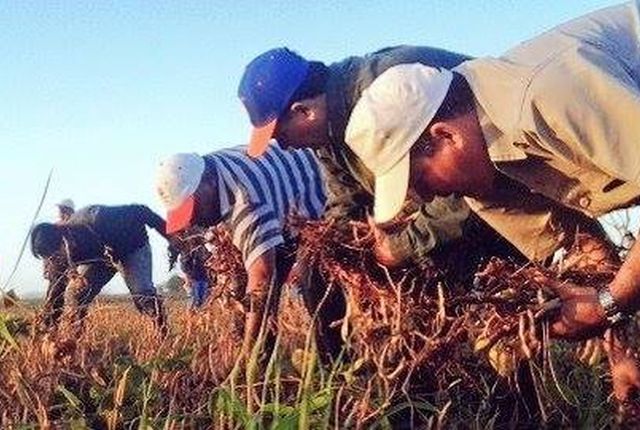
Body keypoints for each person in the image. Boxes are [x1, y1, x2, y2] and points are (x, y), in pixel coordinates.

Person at [342, 1, 640, 400]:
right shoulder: (483, 183)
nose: (425, 197)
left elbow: (610, 294)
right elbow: (582, 249)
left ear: (446, 136)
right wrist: (624, 356)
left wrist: (611, 300)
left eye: (418, 179)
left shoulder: (547, 96)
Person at [237, 46, 511, 268]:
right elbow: (345, 200)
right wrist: (333, 245)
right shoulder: (326, 135)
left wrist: (403, 245)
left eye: (278, 134)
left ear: (303, 112)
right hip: (444, 215)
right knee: (317, 268)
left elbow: (464, 183)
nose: (283, 146)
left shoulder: (392, 88)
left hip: (506, 191)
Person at [155, 144, 326, 360]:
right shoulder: (206, 168)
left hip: (315, 192)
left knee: (314, 283)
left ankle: (336, 364)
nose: (194, 220)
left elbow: (262, 279)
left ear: (209, 181)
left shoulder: (246, 202)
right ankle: (263, 358)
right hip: (277, 199)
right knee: (247, 297)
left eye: (194, 209)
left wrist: (248, 357)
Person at [31, 204, 169, 333]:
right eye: (52, 258)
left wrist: (171, 237)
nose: (57, 259)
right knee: (75, 294)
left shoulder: (95, 219)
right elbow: (56, 292)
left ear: (63, 238)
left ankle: (161, 331)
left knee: (141, 293)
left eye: (57, 253)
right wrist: (49, 327)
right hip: (100, 260)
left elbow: (141, 211)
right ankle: (76, 338)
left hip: (131, 247)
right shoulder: (56, 258)